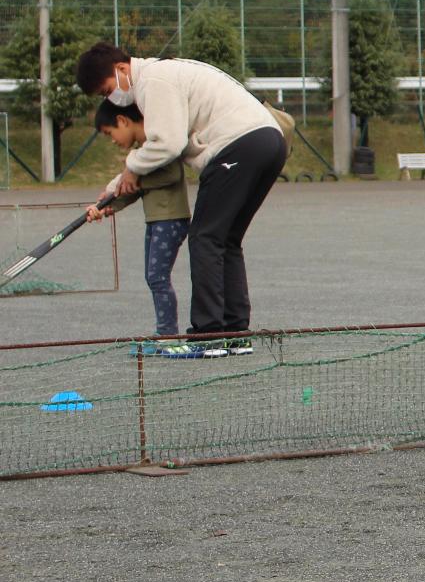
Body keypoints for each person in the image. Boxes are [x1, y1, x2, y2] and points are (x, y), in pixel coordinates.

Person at [74, 44, 286, 352]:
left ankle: (208, 335)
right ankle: (235, 334)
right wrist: (117, 186)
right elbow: (162, 146)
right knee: (225, 240)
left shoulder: (152, 80)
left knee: (204, 237)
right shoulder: (168, 72)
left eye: (107, 90)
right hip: (268, 141)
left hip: (237, 144)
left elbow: (167, 143)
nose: (111, 99)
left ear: (121, 70)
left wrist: (130, 167)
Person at [85, 101, 206, 356]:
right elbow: (133, 189)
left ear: (123, 121)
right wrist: (107, 207)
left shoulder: (158, 145)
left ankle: (168, 336)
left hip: (171, 220)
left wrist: (131, 180)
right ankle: (164, 333)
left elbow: (169, 176)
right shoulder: (143, 154)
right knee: (153, 276)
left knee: (158, 277)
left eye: (110, 133)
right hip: (157, 220)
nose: (113, 140)